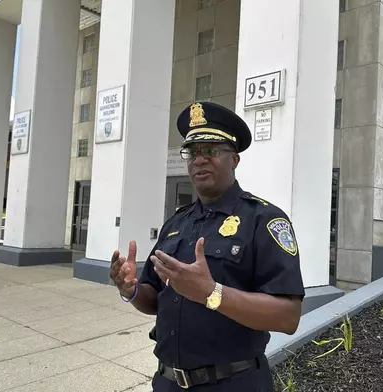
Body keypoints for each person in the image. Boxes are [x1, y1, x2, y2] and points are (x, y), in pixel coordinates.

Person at [109, 101, 305, 391]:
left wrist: (211, 294)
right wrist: (132, 290)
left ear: (234, 159)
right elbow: (154, 299)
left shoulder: (263, 220)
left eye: (211, 151)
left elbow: (288, 317)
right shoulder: (177, 224)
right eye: (192, 152)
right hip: (168, 383)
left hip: (232, 383)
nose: (199, 160)